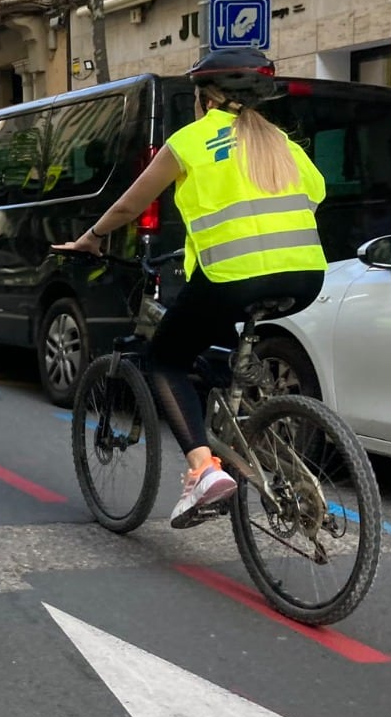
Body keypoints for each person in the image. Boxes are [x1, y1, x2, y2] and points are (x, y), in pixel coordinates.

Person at [54, 47, 328, 528]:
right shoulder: (280, 141)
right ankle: (250, 421)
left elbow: (128, 206)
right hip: (305, 274)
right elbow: (315, 194)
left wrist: (90, 239)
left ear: (203, 98)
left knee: (166, 359)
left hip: (231, 277)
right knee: (217, 349)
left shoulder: (192, 141)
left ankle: (203, 469)